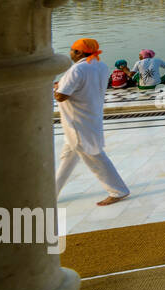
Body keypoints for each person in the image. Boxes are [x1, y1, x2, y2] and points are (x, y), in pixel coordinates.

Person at [54, 39, 130, 205]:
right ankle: (51, 193)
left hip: (77, 122)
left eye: (72, 50)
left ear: (80, 53)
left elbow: (61, 95)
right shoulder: (100, 65)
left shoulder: (78, 68)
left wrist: (55, 89)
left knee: (94, 157)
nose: (70, 53)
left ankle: (118, 191)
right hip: (89, 116)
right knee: (68, 157)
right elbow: (84, 86)